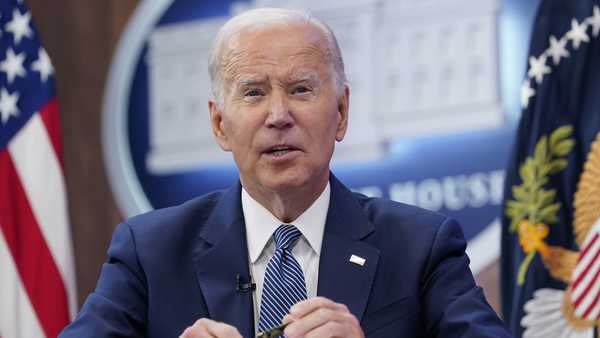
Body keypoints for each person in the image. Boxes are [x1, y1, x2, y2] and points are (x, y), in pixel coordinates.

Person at [60, 8, 513, 338]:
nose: (278, 115)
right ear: (220, 124)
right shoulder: (151, 251)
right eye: (253, 93)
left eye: (300, 89)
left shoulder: (420, 247)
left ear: (340, 112)